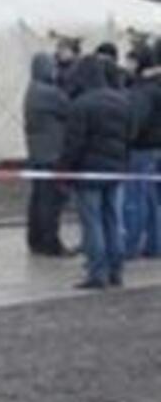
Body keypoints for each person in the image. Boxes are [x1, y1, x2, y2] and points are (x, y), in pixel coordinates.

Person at [64, 56, 131, 290]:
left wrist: (65, 170)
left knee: (92, 223)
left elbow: (73, 144)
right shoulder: (123, 101)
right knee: (113, 220)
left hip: (89, 172)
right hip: (116, 170)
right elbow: (129, 136)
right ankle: (117, 271)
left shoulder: (81, 105)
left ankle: (97, 273)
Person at [24, 53, 73, 257]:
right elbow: (70, 108)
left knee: (37, 199)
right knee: (51, 202)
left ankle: (35, 239)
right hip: (52, 153)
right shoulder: (49, 93)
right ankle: (50, 242)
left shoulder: (32, 90)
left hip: (37, 153)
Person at [121, 46, 161, 259]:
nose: (127, 65)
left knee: (135, 198)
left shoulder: (143, 90)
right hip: (156, 147)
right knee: (153, 199)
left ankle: (130, 245)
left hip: (142, 149)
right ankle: (155, 244)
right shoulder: (155, 86)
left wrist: (127, 140)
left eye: (130, 61)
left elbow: (135, 122)